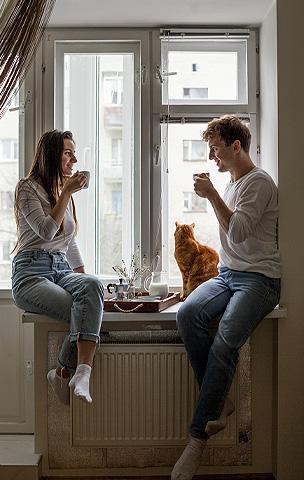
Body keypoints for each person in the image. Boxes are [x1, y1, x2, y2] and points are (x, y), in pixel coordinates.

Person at [171, 116, 281, 480]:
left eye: (216, 148)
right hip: (229, 275)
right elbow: (231, 242)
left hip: (260, 280)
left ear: (236, 146)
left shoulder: (259, 183)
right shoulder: (233, 183)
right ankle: (219, 400)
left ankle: (196, 440)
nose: (211, 156)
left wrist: (213, 195)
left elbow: (237, 232)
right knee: (187, 314)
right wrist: (218, 193)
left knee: (224, 343)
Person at [12, 130, 104, 405]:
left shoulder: (64, 193)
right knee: (80, 309)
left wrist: (84, 277)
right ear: (51, 155)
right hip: (31, 273)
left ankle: (81, 372)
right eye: (68, 153)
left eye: (74, 153)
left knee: (93, 287)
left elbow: (68, 242)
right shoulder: (27, 188)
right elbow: (47, 231)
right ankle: (65, 369)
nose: (74, 159)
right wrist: (65, 192)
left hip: (61, 269)